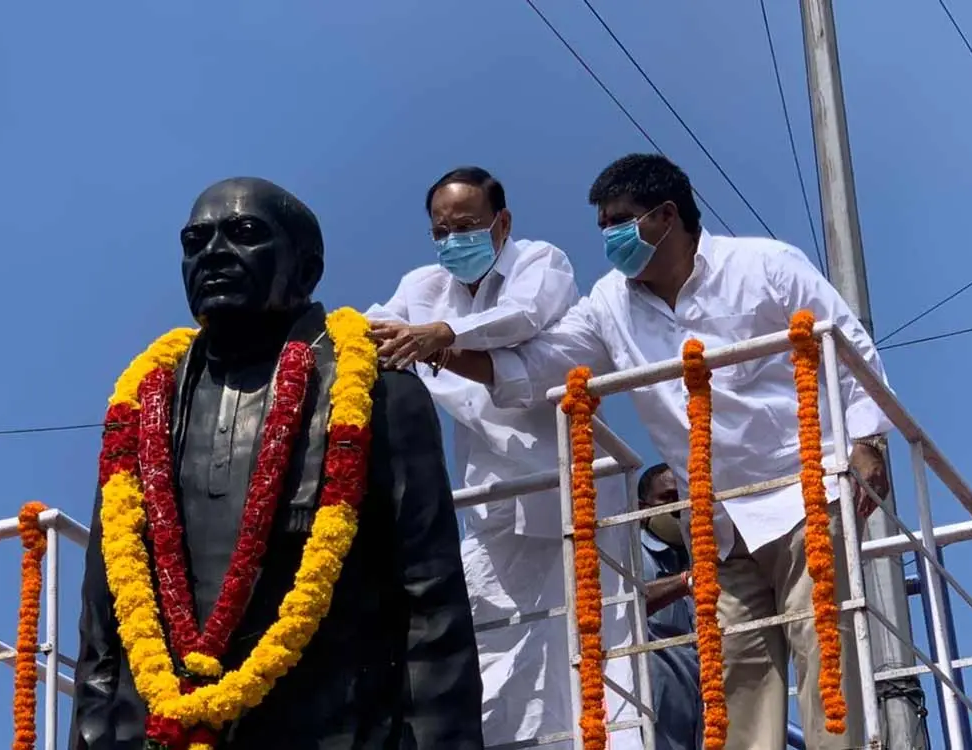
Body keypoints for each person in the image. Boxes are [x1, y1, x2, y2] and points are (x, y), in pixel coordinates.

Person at [449, 153, 892, 750]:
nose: (609, 237)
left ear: (666, 215)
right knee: (736, 673)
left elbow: (846, 343)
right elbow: (544, 364)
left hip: (803, 491)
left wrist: (868, 442)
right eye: (604, 224)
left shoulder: (764, 264)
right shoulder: (611, 303)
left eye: (620, 221)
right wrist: (447, 350)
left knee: (825, 646)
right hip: (717, 523)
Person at [69, 177, 484, 749]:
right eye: (195, 241)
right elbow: (104, 624)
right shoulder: (141, 412)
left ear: (308, 269)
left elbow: (431, 607)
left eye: (243, 234)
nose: (213, 252)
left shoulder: (376, 395)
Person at [366, 166, 639, 749]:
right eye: (441, 231)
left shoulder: (540, 261)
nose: (452, 242)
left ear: (502, 222)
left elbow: (522, 320)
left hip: (574, 492)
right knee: (490, 644)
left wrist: (441, 335)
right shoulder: (421, 287)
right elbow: (370, 328)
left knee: (600, 645)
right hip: (493, 500)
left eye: (466, 227)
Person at [636, 463, 702, 750]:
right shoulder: (629, 555)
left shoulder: (698, 557)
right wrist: (685, 583)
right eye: (668, 498)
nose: (678, 507)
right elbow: (623, 605)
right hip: (652, 706)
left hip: (695, 708)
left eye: (683, 497)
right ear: (641, 508)